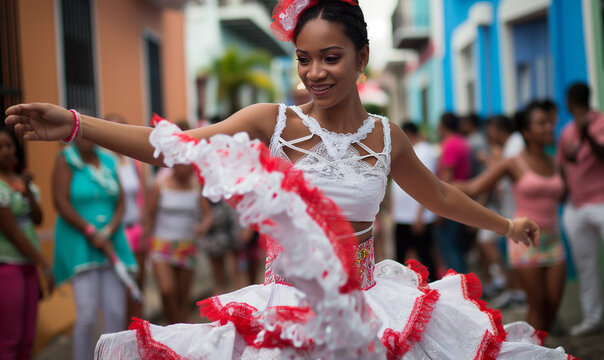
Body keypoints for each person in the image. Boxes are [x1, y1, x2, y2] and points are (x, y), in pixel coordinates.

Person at [5, 1, 576, 358]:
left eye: (330, 57)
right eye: (304, 59)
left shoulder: (386, 135)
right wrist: (77, 124)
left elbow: (442, 194)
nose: (314, 73)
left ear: (362, 57)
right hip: (286, 311)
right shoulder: (269, 122)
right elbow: (173, 151)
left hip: (373, 307)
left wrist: (507, 224)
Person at [456, 102, 566, 332]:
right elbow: (475, 187)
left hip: (554, 240)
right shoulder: (513, 163)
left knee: (553, 305)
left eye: (549, 123)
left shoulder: (555, 162)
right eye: (541, 123)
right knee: (536, 304)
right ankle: (538, 353)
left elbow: (565, 194)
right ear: (526, 132)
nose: (549, 128)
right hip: (525, 240)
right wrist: (437, 187)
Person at [51, 135, 137, 360]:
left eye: (88, 134)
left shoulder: (109, 160)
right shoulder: (65, 160)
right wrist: (90, 231)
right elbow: (59, 201)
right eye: (79, 135)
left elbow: (120, 202)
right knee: (87, 315)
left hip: (112, 241)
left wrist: (108, 230)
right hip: (81, 243)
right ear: (71, 137)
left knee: (116, 313)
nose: (86, 139)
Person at [0, 125, 53, 360]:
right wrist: (44, 262)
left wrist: (28, 189)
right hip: (7, 267)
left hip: (28, 267)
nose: (5, 151)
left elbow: (38, 219)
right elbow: (12, 231)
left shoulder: (19, 181)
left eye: (8, 145)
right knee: (9, 342)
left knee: (28, 340)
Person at [559, 82, 604, 336]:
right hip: (575, 206)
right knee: (585, 265)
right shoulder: (567, 131)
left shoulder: (599, 123)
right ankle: (592, 318)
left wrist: (587, 130)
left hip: (601, 202)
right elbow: (564, 164)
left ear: (571, 100)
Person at [145, 156, 213, 323]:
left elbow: (208, 215)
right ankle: (173, 326)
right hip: (162, 245)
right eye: (185, 165)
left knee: (182, 298)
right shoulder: (159, 185)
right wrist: (146, 242)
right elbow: (149, 215)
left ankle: (178, 330)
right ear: (174, 165)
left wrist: (203, 227)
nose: (189, 169)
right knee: (167, 291)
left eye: (191, 165)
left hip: (187, 245)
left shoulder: (195, 186)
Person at [106, 113, 148, 322]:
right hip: (114, 234)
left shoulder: (134, 163)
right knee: (118, 293)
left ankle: (138, 339)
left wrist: (145, 231)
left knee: (138, 290)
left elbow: (142, 198)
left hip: (135, 230)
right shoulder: (102, 165)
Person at [389, 122, 438, 279]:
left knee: (424, 255)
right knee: (400, 254)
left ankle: (432, 285)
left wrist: (419, 214)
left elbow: (426, 184)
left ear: (407, 134)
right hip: (402, 215)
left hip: (416, 216)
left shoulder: (425, 151)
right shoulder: (406, 150)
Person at [434, 112, 472, 274]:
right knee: (457, 247)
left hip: (450, 204)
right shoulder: (463, 142)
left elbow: (446, 179)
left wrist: (440, 210)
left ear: (442, 126)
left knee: (449, 248)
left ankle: (460, 288)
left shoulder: (449, 145)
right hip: (462, 200)